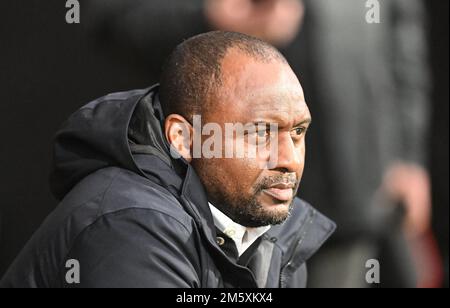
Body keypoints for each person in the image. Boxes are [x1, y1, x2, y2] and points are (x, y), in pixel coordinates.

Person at [0, 31, 335, 288]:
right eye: (261, 133)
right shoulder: (131, 223)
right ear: (184, 139)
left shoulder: (275, 232)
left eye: (298, 132)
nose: (289, 160)